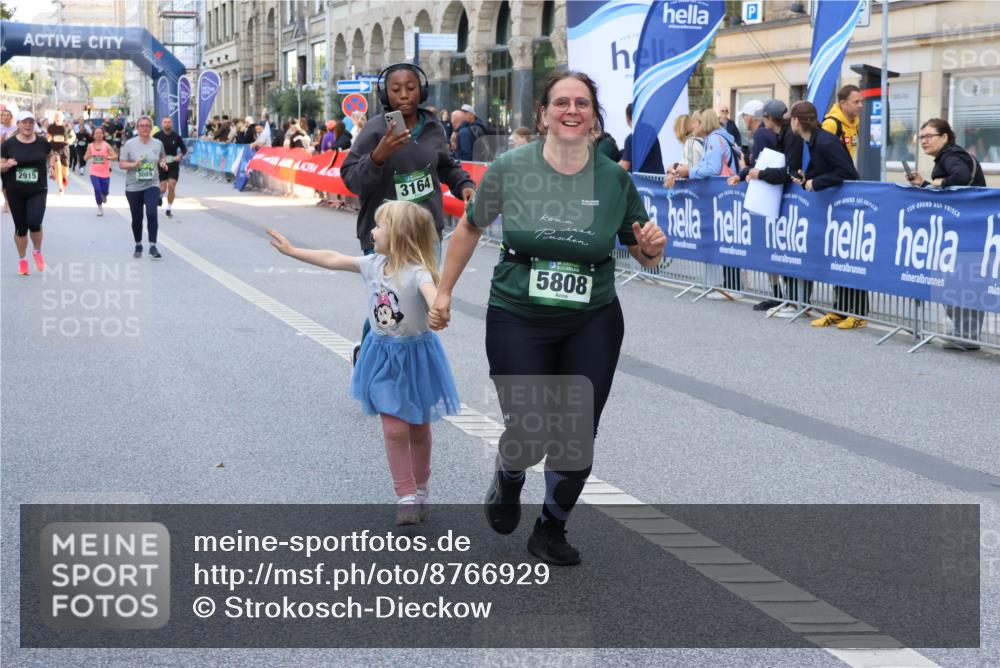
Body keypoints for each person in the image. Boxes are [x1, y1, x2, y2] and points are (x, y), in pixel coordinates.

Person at [429, 70, 666, 566]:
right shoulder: (512, 167)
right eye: (561, 102)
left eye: (582, 102)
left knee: (577, 432)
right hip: (518, 312)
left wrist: (649, 250)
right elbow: (470, 230)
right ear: (542, 115)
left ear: (594, 118)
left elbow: (640, 248)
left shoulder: (614, 178)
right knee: (531, 428)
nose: (572, 110)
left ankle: (550, 528)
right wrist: (444, 292)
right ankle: (510, 475)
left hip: (593, 315)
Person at [267, 201, 460, 524]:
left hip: (416, 357)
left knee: (418, 428)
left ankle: (422, 486)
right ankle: (406, 495)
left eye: (380, 226)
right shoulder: (374, 264)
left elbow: (432, 293)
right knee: (395, 429)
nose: (373, 231)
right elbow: (334, 258)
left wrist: (438, 311)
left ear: (399, 235)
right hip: (381, 355)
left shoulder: (418, 273)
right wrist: (293, 251)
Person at [341, 63, 476, 363]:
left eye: (411, 87)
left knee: (415, 303)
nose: (404, 95)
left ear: (422, 90)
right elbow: (350, 178)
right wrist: (378, 155)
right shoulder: (376, 129)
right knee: (389, 304)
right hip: (385, 236)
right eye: (396, 89)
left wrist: (463, 185)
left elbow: (445, 165)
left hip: (426, 233)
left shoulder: (433, 126)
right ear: (385, 94)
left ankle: (389, 360)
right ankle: (370, 359)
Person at [771, 101, 865, 329]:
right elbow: (821, 169)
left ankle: (859, 313)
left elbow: (847, 172)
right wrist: (805, 178)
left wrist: (817, 182)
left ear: (796, 121)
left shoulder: (824, 140)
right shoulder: (812, 141)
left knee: (849, 259)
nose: (788, 123)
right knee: (837, 259)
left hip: (848, 206)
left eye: (790, 119)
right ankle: (840, 310)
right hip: (834, 207)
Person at [907, 118, 986, 350]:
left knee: (960, 280)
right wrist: (924, 184)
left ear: (945, 137)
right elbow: (949, 192)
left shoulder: (952, 155)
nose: (924, 141)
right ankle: (963, 332)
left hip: (965, 229)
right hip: (961, 227)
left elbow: (959, 178)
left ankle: (967, 335)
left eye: (929, 136)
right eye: (921, 137)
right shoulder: (949, 155)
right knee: (954, 279)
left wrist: (940, 182)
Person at [665, 108, 742, 297]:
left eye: (696, 123)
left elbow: (712, 168)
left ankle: (732, 288)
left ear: (703, 123)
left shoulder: (715, 139)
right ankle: (730, 286)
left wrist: (688, 172)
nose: (692, 126)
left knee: (726, 238)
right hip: (728, 190)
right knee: (728, 237)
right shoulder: (723, 137)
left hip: (722, 191)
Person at [728, 99, 783, 312]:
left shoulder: (761, 133)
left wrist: (741, 172)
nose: (744, 122)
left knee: (770, 244)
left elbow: (757, 166)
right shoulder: (773, 132)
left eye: (744, 118)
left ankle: (778, 294)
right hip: (777, 187)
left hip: (768, 192)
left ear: (750, 118)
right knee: (778, 245)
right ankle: (787, 295)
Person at [0, 111, 55, 275]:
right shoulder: (8, 144)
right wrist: (7, 164)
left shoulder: (42, 142)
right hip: (15, 191)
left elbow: (52, 155)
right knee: (21, 229)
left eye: (30, 122)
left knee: (35, 223)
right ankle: (22, 259)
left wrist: (51, 166)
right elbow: (0, 165)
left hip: (37, 190)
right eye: (24, 122)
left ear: (34, 125)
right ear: (18, 124)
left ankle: (37, 251)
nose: (28, 125)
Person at [119, 116, 168, 259]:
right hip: (133, 187)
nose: (144, 128)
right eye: (141, 126)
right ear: (137, 128)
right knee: (137, 218)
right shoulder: (129, 144)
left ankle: (153, 245)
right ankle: (138, 243)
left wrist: (163, 163)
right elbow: (122, 164)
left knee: (152, 213)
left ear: (151, 127)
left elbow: (162, 157)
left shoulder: (158, 143)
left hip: (152, 184)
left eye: (147, 126)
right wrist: (134, 165)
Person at [154, 116, 186, 218]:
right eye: (165, 122)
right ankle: (159, 196)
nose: (167, 124)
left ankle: (168, 208)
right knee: (162, 188)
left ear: (171, 124)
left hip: (173, 165)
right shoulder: (157, 136)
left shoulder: (176, 136)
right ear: (162, 124)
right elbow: (150, 148)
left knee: (171, 186)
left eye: (169, 122)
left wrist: (179, 156)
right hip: (161, 164)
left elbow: (184, 150)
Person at [619, 102, 664, 174]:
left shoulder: (631, 139)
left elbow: (625, 165)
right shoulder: (652, 131)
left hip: (642, 182)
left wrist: (611, 168)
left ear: (627, 118)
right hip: (659, 179)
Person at [822, 84, 863, 160]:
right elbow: (818, 154)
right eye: (856, 102)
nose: (860, 105)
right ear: (843, 104)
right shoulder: (831, 124)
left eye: (861, 101)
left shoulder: (855, 123)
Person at [84, 125, 117, 216]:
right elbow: (85, 157)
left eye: (100, 133)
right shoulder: (90, 146)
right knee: (97, 189)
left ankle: (105, 195)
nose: (98, 135)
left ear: (103, 135)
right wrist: (89, 156)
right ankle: (99, 207)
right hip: (94, 172)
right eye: (96, 133)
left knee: (105, 191)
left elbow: (115, 156)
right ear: (93, 135)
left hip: (105, 173)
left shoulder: (107, 145)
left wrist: (109, 157)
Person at [46, 111, 75, 195]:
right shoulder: (51, 127)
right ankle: (60, 188)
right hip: (55, 150)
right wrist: (45, 145)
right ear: (54, 118)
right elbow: (48, 137)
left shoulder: (67, 126)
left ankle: (64, 177)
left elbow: (73, 136)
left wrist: (70, 140)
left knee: (65, 171)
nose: (57, 118)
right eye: (56, 116)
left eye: (59, 116)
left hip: (65, 149)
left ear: (62, 118)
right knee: (57, 167)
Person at [1, 108, 15, 213]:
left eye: (8, 115)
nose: (6, 117)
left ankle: (9, 201)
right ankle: (6, 201)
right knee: (4, 181)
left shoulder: (15, 129)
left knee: (9, 181)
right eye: (4, 115)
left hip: (11, 157)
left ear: (11, 117)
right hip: (1, 157)